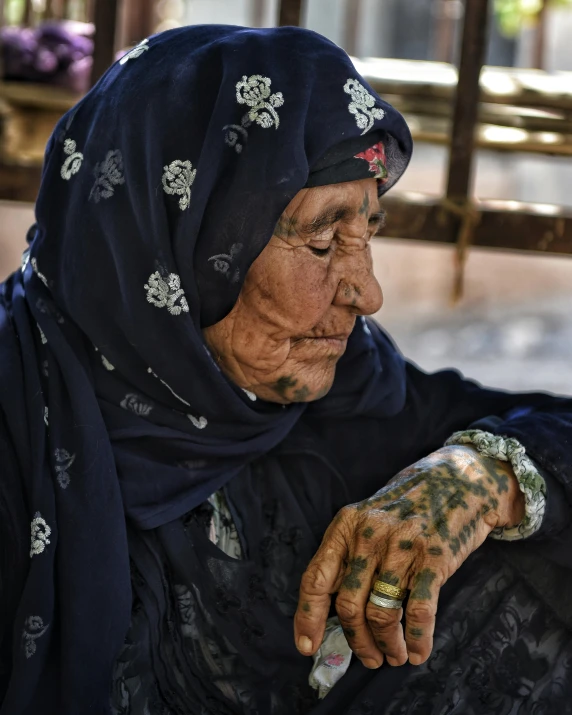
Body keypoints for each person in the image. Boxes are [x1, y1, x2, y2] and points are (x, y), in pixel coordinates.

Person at [0, 24, 571, 715]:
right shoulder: (20, 426)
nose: (368, 293)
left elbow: (543, 425)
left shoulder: (347, 382)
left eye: (369, 234)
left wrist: (480, 475)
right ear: (183, 239)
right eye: (326, 241)